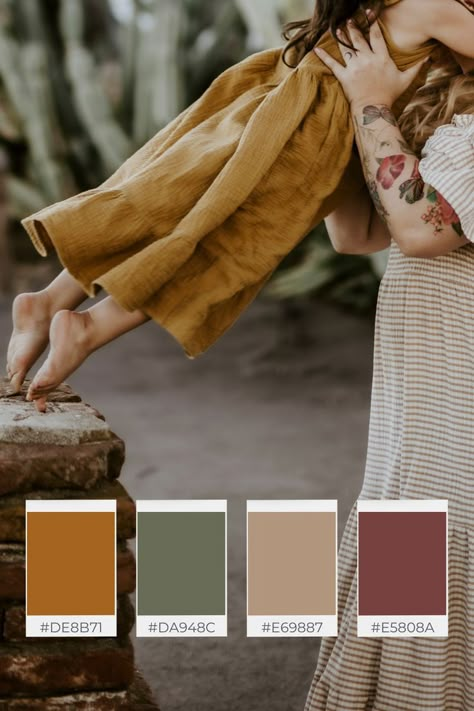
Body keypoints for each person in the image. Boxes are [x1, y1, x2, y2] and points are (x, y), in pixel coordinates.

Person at [6, 0, 474, 413]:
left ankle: (50, 300)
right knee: (225, 243)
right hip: (313, 134)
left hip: (283, 96)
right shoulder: (434, 5)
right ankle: (90, 327)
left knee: (166, 205)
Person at [303, 14, 474, 710]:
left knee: (436, 536)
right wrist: (345, 115)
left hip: (458, 393)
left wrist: (372, 103)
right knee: (411, 532)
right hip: (425, 390)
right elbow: (358, 231)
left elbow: (417, 226)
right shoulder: (456, 113)